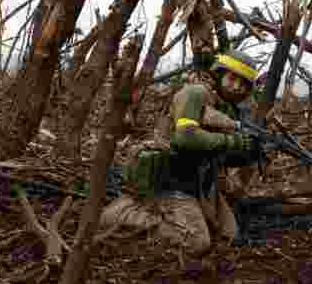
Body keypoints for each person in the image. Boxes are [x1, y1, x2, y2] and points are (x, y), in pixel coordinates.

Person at [100, 50, 263, 255]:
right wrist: (232, 140)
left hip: (197, 184)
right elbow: (185, 138)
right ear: (220, 73)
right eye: (232, 78)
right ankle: (121, 215)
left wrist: (247, 151)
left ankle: (167, 212)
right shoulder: (196, 93)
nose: (237, 87)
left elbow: (217, 152)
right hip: (169, 181)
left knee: (229, 234)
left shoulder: (227, 109)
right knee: (196, 242)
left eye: (244, 84)